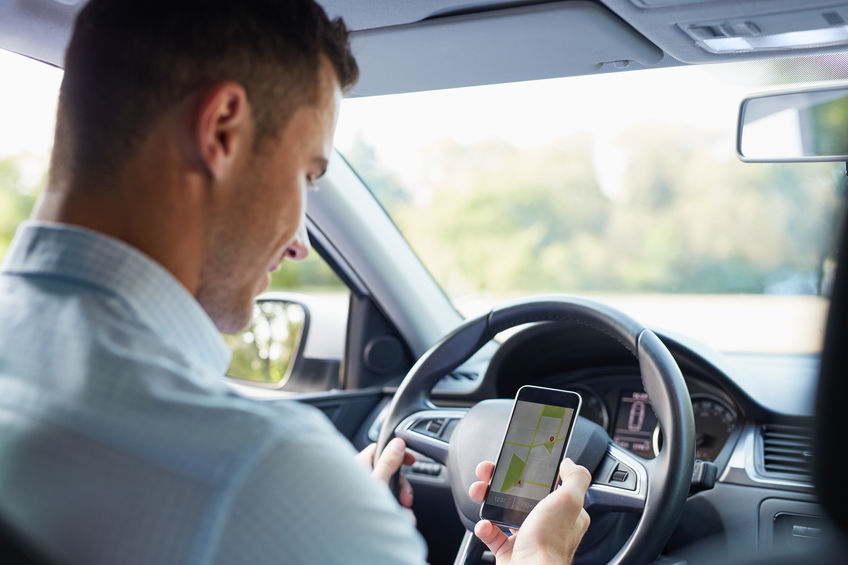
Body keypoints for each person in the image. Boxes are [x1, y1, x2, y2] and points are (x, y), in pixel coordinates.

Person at [0, 0, 591, 563]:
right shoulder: (264, 474)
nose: (301, 242)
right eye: (307, 175)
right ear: (222, 129)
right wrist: (539, 556)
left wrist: (329, 509)